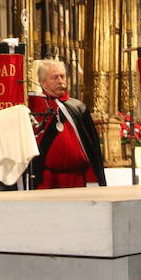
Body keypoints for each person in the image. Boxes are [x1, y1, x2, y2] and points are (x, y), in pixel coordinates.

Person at [28, 59, 106, 188]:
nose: (60, 81)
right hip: (47, 178)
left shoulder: (77, 107)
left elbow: (91, 147)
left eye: (62, 76)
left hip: (78, 177)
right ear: (42, 82)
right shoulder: (35, 106)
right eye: (54, 77)